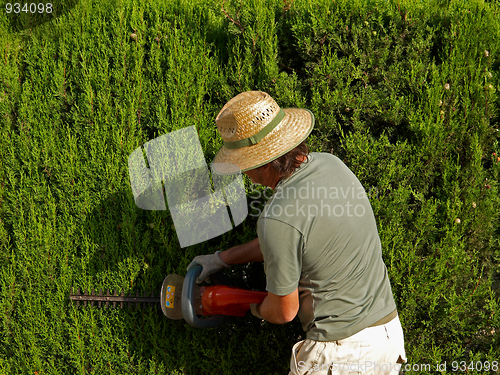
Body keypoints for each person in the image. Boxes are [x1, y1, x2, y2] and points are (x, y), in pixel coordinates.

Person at [188, 91, 406, 374]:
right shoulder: (331, 165)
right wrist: (222, 259)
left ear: (262, 163)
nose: (244, 174)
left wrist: (248, 306)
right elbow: (294, 238)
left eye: (243, 166)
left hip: (341, 355)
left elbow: (283, 311)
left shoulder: (276, 218)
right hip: (387, 338)